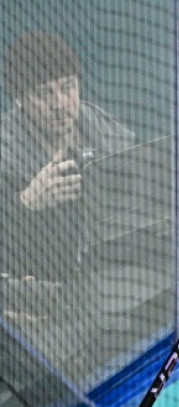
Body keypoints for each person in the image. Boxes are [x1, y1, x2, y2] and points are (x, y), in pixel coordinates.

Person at [0, 31, 135, 284]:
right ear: (19, 100)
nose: (59, 104)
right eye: (43, 94)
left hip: (113, 277)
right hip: (41, 288)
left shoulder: (105, 131)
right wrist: (25, 205)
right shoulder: (5, 156)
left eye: (67, 88)